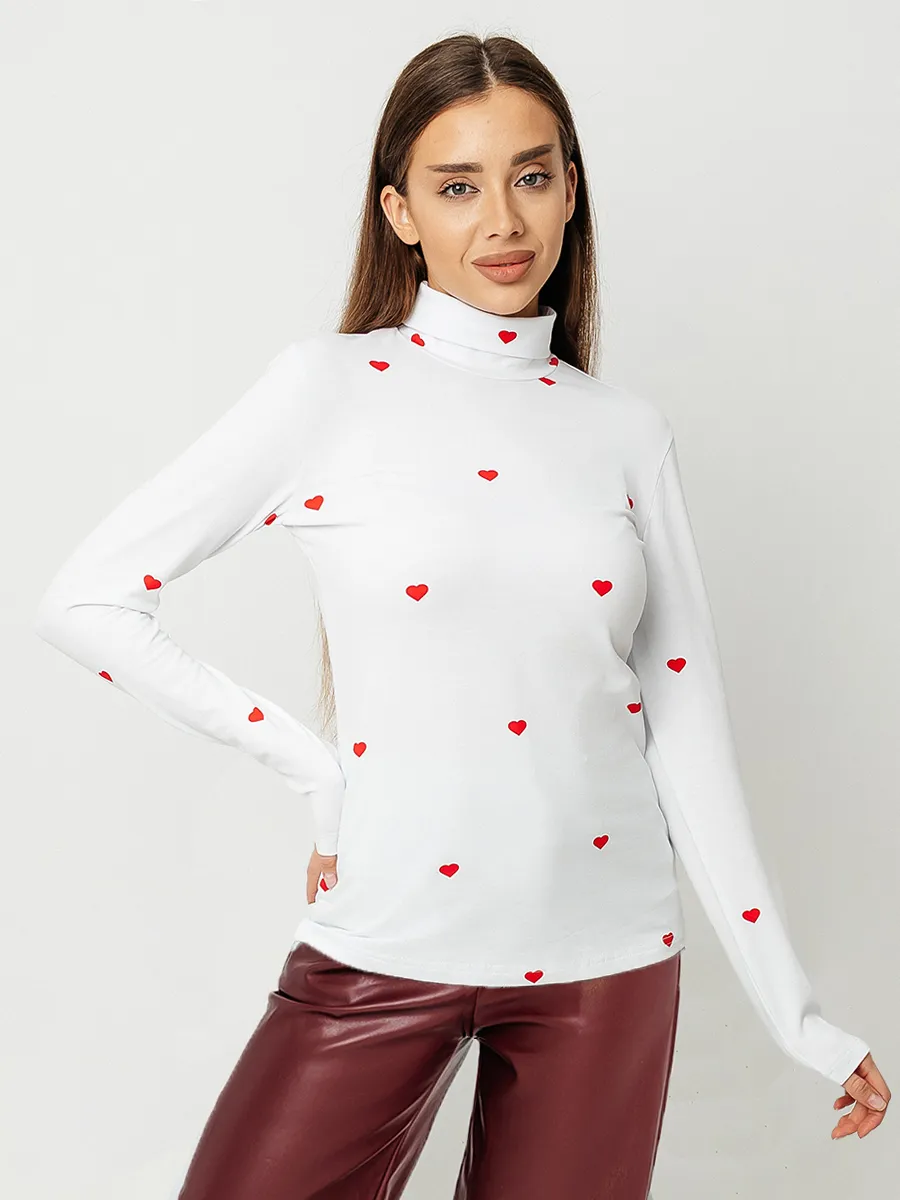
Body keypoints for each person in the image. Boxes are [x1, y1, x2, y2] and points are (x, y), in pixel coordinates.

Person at [33, 31, 888, 1200]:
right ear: (398, 211)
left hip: (608, 960)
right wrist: (312, 767)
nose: (503, 221)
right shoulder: (329, 389)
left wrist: (800, 1016)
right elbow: (86, 599)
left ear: (571, 189)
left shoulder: (623, 432)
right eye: (456, 186)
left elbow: (688, 728)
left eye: (531, 175)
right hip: (386, 938)